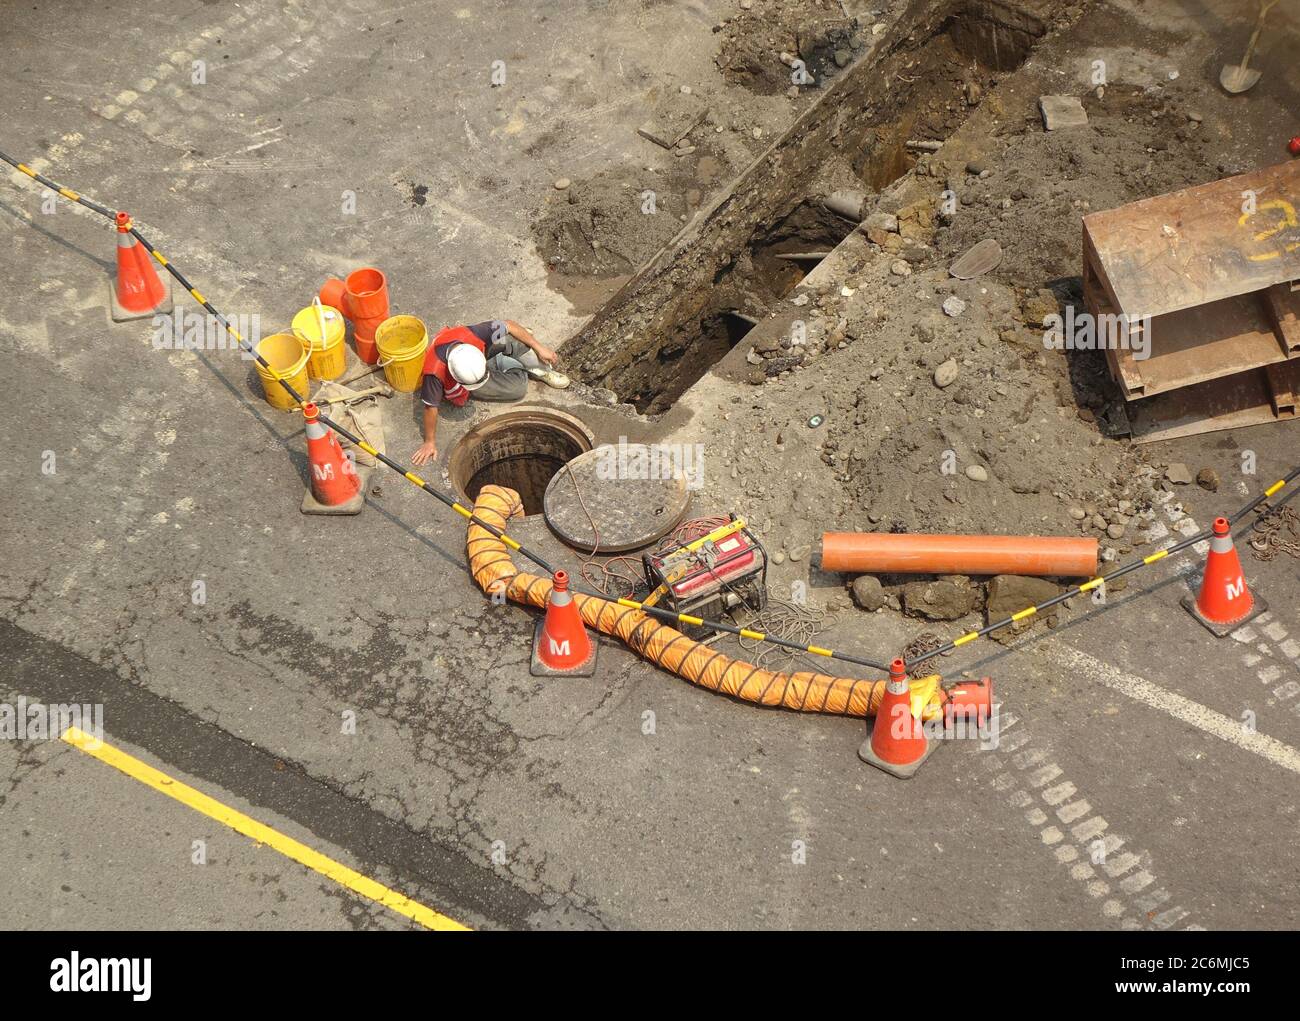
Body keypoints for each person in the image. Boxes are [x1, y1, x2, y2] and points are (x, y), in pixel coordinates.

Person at [410, 319, 569, 466]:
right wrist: (429, 442)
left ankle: (538, 368)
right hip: (467, 374)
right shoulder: (434, 373)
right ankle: (507, 363)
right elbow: (430, 407)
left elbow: (509, 324)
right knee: (518, 389)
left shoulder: (473, 334)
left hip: (481, 355)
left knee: (511, 337)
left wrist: (539, 347)